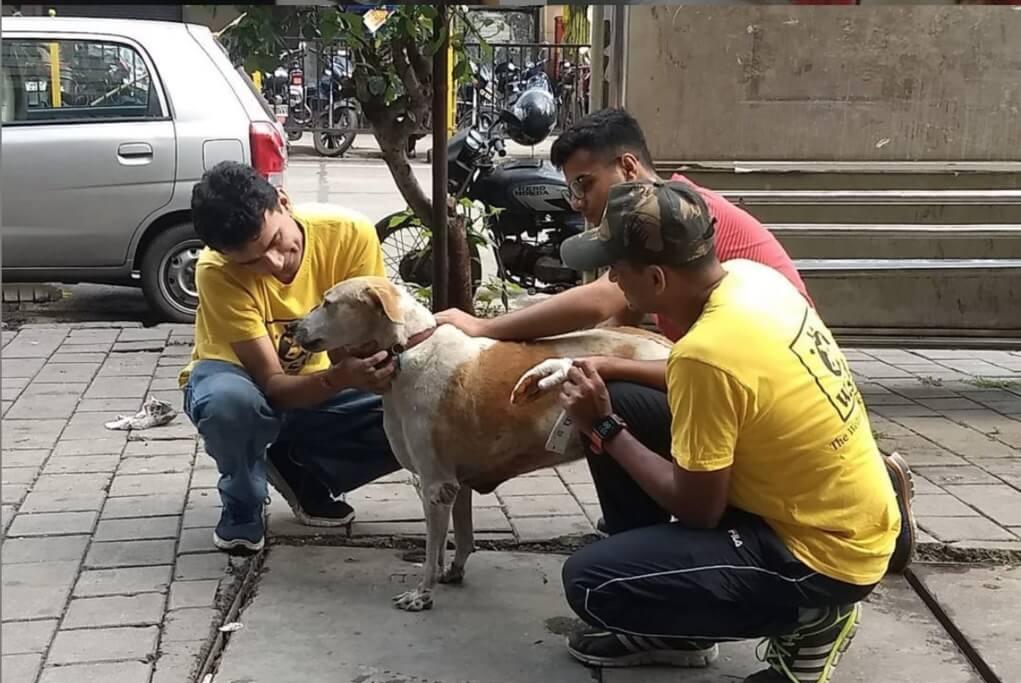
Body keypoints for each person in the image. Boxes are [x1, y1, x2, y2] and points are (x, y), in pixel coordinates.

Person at [435, 107, 915, 556]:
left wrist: (484, 327)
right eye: (573, 191)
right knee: (604, 384)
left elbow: (607, 305)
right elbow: (617, 325)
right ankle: (866, 483)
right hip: (770, 383)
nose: (580, 204)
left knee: (615, 401)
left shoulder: (665, 225)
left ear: (627, 167)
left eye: (586, 184)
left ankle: (647, 550)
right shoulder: (680, 211)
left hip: (757, 402)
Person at [550, 178, 910, 683]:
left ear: (654, 277)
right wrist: (609, 368)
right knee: (624, 395)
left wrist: (602, 426)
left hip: (821, 556)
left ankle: (811, 620)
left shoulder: (707, 354)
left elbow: (698, 510)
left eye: (616, 270)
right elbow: (703, 373)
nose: (612, 281)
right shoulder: (748, 280)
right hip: (839, 511)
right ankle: (675, 599)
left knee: (592, 582)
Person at [179, 161, 400, 555]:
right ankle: (242, 503)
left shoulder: (349, 234)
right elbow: (273, 386)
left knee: (410, 401)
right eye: (250, 262)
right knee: (232, 405)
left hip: (317, 386)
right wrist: (342, 378)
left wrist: (362, 372)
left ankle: (303, 469)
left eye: (274, 242)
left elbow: (358, 345)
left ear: (283, 202)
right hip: (243, 379)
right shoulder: (215, 272)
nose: (274, 265)